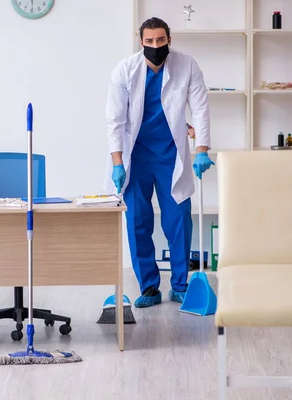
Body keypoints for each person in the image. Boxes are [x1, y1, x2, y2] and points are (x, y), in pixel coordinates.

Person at [105, 17, 214, 308]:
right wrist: (117, 162)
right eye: (149, 41)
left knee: (178, 220)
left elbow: (201, 107)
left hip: (170, 155)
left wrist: (202, 149)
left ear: (169, 39)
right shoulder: (125, 70)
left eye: (161, 40)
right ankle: (149, 287)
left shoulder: (187, 65)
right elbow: (114, 121)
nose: (155, 46)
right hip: (136, 156)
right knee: (138, 221)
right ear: (141, 41)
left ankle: (180, 285)